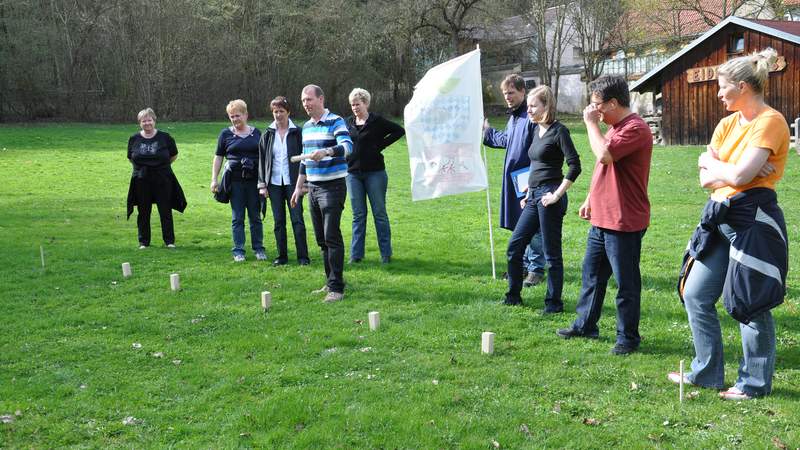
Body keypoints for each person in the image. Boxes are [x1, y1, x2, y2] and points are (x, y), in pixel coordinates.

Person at [671, 48, 789, 400]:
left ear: (741, 86)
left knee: (748, 302)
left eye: (723, 88)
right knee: (695, 293)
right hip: (718, 215)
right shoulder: (727, 123)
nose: (718, 94)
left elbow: (728, 172)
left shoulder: (770, 122)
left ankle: (753, 385)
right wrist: (731, 169)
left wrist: (725, 168)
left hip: (753, 219)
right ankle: (706, 373)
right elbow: (706, 177)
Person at [556, 75, 652, 356]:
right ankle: (586, 325)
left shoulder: (636, 128)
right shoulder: (612, 127)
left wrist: (589, 124)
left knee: (626, 283)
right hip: (602, 217)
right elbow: (604, 168)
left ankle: (628, 338)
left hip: (624, 220)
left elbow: (605, 156)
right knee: (592, 276)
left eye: (596, 104)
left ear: (612, 103)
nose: (592, 109)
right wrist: (590, 198)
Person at [504, 86, 581, 312]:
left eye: (533, 105)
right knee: (514, 246)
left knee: (551, 253)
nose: (528, 110)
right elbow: (536, 164)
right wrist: (529, 192)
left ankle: (553, 303)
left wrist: (557, 195)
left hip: (550, 196)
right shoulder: (535, 130)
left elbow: (575, 166)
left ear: (546, 106)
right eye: (527, 106)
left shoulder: (559, 131)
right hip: (534, 195)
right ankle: (513, 296)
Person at [291, 85, 352, 303]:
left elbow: (347, 146)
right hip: (313, 188)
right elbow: (305, 161)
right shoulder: (306, 127)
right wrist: (299, 187)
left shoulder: (336, 121)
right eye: (303, 100)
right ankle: (330, 282)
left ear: (321, 99)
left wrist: (326, 151)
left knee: (331, 236)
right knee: (321, 240)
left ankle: (337, 288)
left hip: (333, 187)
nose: (306, 104)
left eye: (309, 99)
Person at [484, 74, 546, 287]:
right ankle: (522, 266)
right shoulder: (514, 118)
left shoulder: (531, 117)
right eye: (505, 94)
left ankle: (536, 269)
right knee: (521, 225)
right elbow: (507, 141)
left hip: (529, 179)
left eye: (511, 93)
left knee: (534, 226)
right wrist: (487, 132)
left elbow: (539, 149)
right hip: (514, 180)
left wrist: (534, 176)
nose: (508, 97)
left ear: (522, 92)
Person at [345, 88, 405, 264]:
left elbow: (399, 131)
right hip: (353, 174)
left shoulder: (377, 121)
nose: (355, 107)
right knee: (358, 215)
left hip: (375, 173)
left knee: (379, 213)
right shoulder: (347, 122)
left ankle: (385, 254)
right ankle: (356, 255)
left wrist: (380, 145)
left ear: (366, 103)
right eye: (352, 105)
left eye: (358, 104)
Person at [257, 96, 310, 266]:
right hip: (273, 184)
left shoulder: (298, 133)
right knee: (279, 221)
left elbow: (306, 159)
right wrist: (262, 185)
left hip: (294, 184)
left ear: (288, 112)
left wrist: (305, 183)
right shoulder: (267, 134)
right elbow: (262, 160)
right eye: (275, 112)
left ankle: (303, 257)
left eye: (281, 111)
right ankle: (282, 256)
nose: (278, 115)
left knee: (297, 220)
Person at [211, 99, 265, 262]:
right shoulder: (225, 134)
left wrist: (264, 182)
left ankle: (259, 249)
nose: (235, 119)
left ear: (246, 115)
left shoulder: (257, 134)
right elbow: (218, 157)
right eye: (232, 116)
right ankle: (239, 250)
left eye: (238, 116)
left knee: (255, 217)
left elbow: (264, 159)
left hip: (254, 181)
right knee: (237, 217)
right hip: (234, 182)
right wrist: (214, 179)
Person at [126, 108, 187, 249]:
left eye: (149, 120)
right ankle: (144, 242)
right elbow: (131, 157)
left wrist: (160, 167)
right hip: (141, 180)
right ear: (139, 123)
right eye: (144, 121)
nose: (147, 123)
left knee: (165, 210)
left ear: (154, 121)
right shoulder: (134, 139)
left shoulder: (165, 137)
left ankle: (169, 241)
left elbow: (173, 155)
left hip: (163, 179)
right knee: (143, 211)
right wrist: (142, 169)